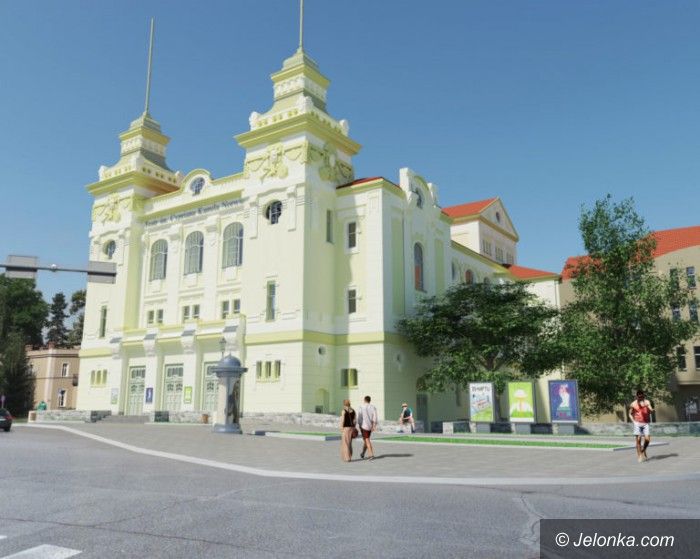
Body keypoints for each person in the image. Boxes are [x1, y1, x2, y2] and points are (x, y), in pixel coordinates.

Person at [629, 390, 654, 462]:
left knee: (647, 439)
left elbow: (650, 408)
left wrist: (651, 410)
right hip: (637, 423)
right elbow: (630, 413)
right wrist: (633, 421)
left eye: (642, 397)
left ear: (644, 396)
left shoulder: (647, 402)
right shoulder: (633, 404)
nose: (641, 398)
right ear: (637, 397)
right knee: (638, 440)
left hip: (645, 423)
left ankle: (643, 450)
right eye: (639, 397)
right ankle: (640, 456)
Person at [357, 395, 378, 460]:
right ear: (370, 400)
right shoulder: (373, 407)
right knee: (366, 440)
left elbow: (359, 416)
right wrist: (374, 425)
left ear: (364, 400)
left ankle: (371, 455)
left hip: (363, 426)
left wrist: (359, 424)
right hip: (370, 426)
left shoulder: (361, 406)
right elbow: (375, 417)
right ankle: (363, 453)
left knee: (367, 440)